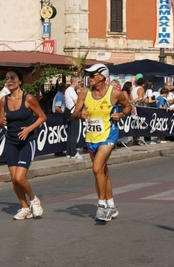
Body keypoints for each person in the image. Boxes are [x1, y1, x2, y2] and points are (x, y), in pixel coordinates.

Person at [72, 64, 132, 222]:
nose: (89, 78)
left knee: (97, 168)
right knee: (102, 172)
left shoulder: (115, 93)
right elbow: (74, 115)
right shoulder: (85, 92)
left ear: (102, 77)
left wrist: (120, 114)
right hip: (91, 137)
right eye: (88, 75)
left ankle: (102, 206)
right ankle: (111, 205)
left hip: (108, 135)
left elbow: (128, 107)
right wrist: (80, 114)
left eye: (92, 75)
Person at [0, 68, 47, 220]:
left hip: (27, 141)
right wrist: (0, 122)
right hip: (11, 141)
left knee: (20, 178)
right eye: (7, 78)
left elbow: (42, 117)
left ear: (20, 81)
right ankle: (25, 208)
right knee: (14, 179)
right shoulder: (3, 100)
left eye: (12, 78)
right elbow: (0, 122)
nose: (9, 81)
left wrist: (29, 129)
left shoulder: (28, 99)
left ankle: (33, 200)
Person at [65, 76, 84, 159]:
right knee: (74, 134)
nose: (79, 84)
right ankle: (73, 153)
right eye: (78, 82)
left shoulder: (68, 90)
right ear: (74, 82)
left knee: (70, 134)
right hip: (74, 114)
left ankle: (69, 152)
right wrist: (80, 94)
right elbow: (77, 103)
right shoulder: (71, 91)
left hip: (69, 113)